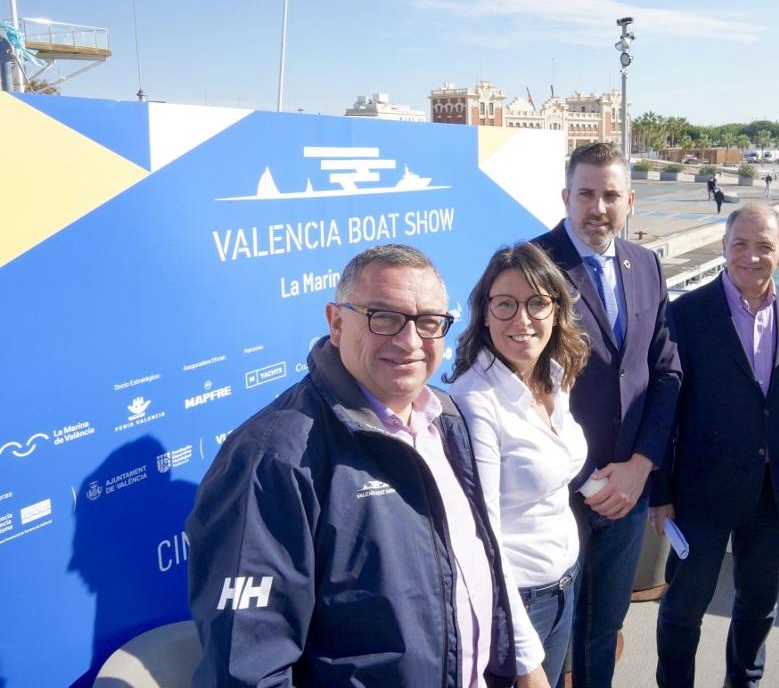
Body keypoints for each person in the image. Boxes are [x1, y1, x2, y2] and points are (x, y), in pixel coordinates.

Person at [187, 244, 517, 687]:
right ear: (337, 322)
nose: (410, 340)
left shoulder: (445, 418)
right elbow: (246, 668)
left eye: (429, 322)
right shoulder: (273, 459)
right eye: (384, 317)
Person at [651, 203, 779, 688]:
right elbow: (666, 410)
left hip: (773, 494)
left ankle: (743, 682)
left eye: (764, 246)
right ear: (724, 249)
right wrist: (660, 493)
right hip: (699, 495)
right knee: (684, 608)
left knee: (759, 604)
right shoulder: (685, 314)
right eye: (741, 245)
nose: (751, 257)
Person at [532, 142, 682, 688]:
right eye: (587, 194)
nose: (598, 208)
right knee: (547, 636)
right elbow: (514, 383)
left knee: (603, 628)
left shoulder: (645, 265)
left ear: (630, 201)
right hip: (557, 491)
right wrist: (584, 473)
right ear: (565, 197)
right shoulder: (533, 266)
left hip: (627, 487)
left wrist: (641, 465)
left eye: (611, 195)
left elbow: (665, 371)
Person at [449, 242, 592, 688]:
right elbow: (482, 539)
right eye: (505, 305)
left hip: (565, 582)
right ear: (485, 313)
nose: (522, 320)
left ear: (555, 310)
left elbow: (551, 464)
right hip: (519, 606)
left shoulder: (551, 375)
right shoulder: (476, 403)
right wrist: (526, 662)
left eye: (536, 303)